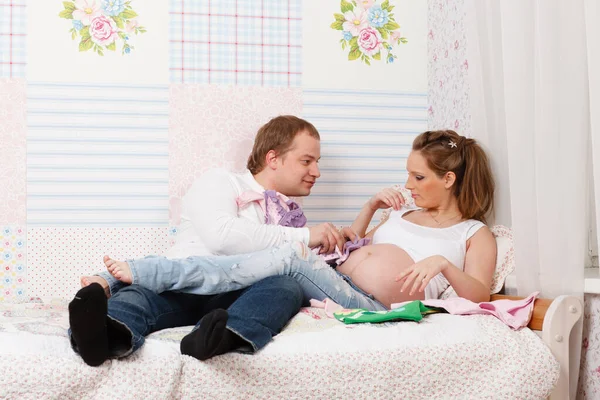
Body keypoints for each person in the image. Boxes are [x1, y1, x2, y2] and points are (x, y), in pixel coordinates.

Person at [102, 130, 498, 312]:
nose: (408, 185)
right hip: (339, 277)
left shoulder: (473, 233)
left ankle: (149, 271)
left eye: (418, 177)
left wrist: (442, 263)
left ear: (448, 180)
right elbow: (353, 246)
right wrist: (372, 206)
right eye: (408, 175)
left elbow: (480, 295)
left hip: (375, 303)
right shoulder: (402, 213)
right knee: (284, 259)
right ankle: (151, 276)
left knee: (289, 255)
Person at [69, 115, 346, 367]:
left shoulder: (288, 216)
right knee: (138, 297)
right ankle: (101, 335)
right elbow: (222, 237)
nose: (317, 172)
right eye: (307, 161)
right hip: (182, 282)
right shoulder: (221, 182)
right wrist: (306, 236)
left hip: (236, 297)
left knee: (285, 287)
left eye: (317, 163)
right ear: (273, 159)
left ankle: (223, 336)